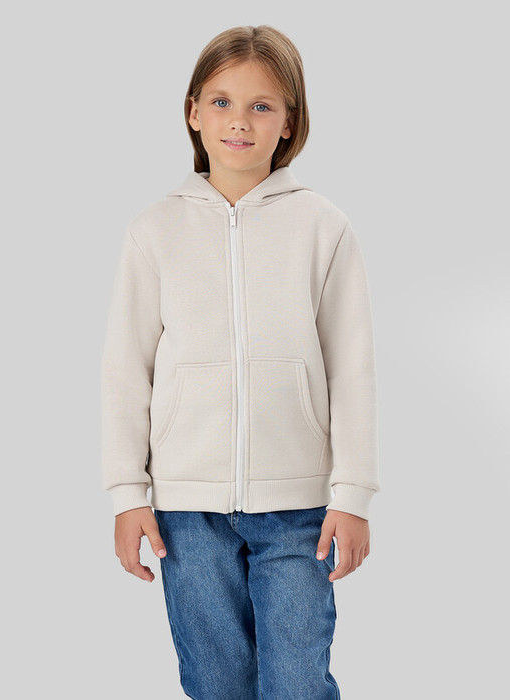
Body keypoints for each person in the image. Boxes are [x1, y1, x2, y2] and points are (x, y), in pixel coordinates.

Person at [100, 24, 380, 700]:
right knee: (215, 681)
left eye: (261, 105)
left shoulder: (323, 227)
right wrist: (127, 494)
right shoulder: (154, 230)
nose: (239, 121)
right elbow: (125, 371)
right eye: (221, 102)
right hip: (185, 511)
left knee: (296, 683)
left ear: (289, 120)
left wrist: (352, 496)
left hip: (299, 510)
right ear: (193, 111)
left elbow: (351, 369)